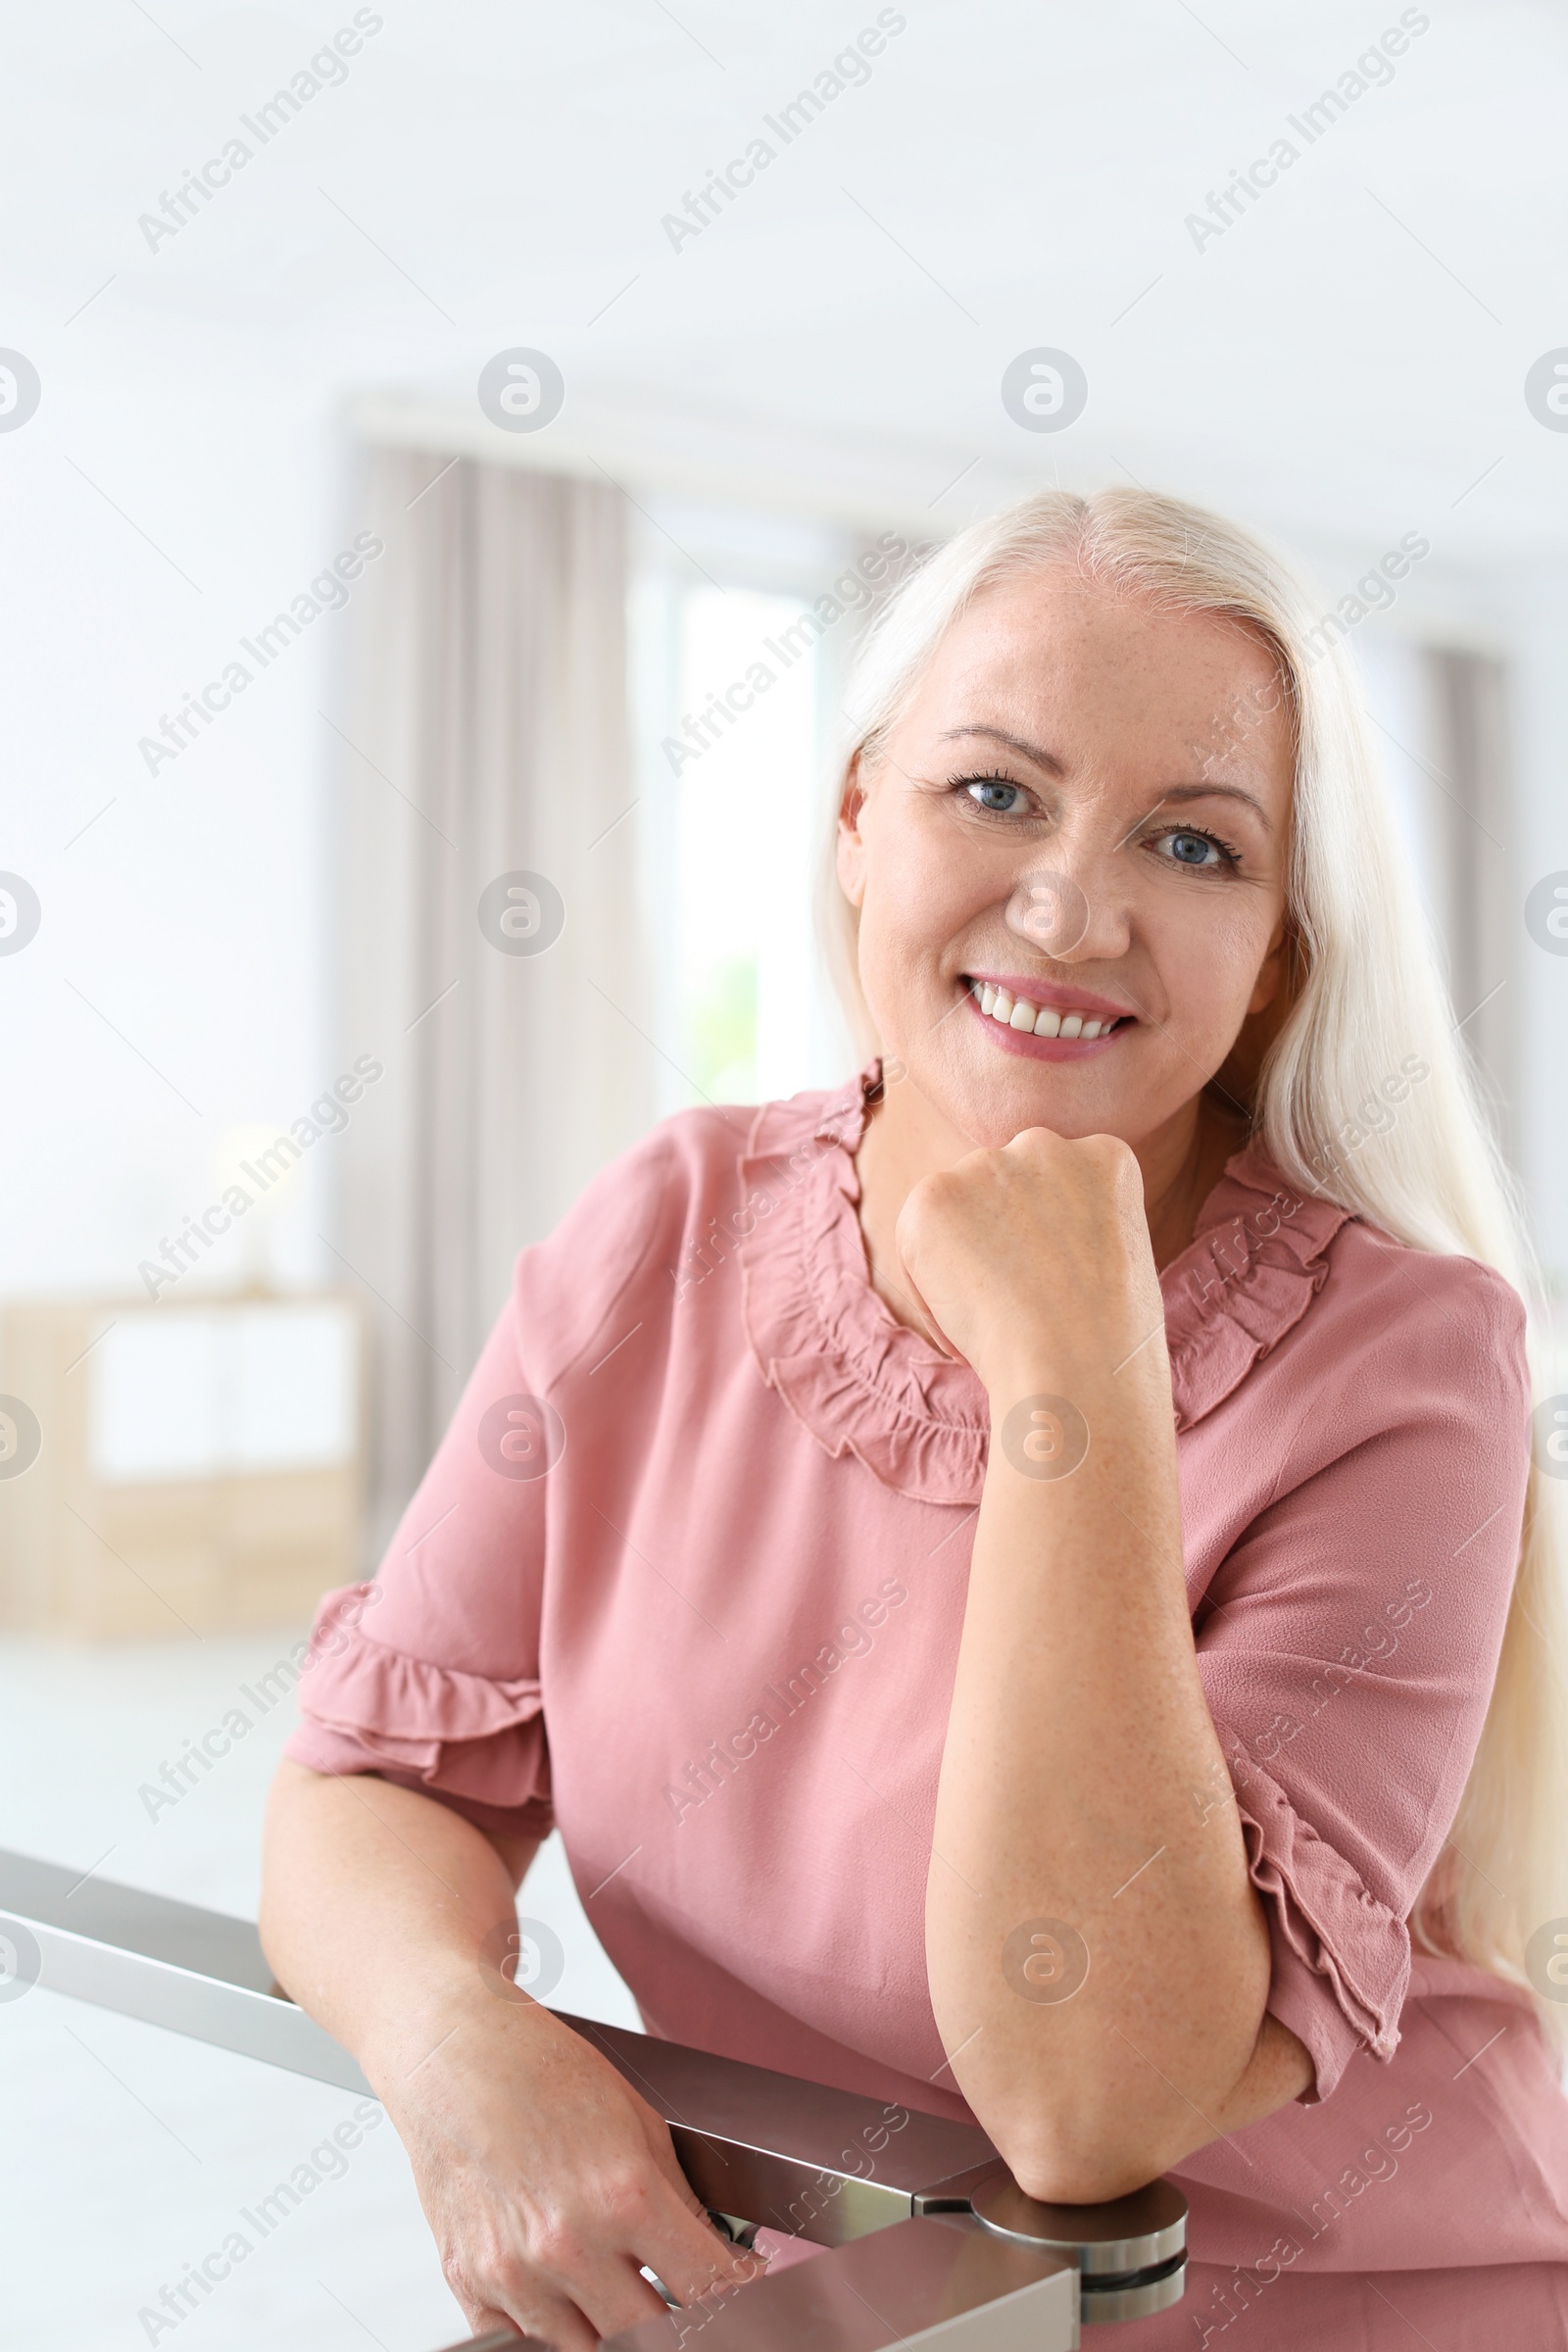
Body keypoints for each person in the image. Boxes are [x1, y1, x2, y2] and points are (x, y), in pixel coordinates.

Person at [260, 488, 1568, 2348]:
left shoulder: (1409, 1369)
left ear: (1275, 952)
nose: (1071, 904)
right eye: (995, 791)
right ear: (859, 817)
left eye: (1193, 843)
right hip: (839, 2306)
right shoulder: (667, 1229)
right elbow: (375, 1782)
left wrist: (1076, 1377)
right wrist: (456, 2042)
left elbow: (1089, 2101)